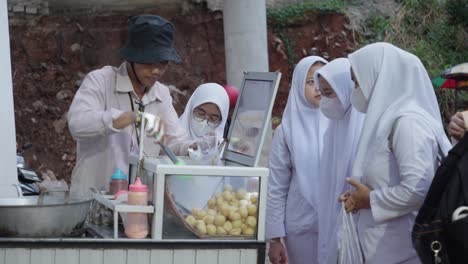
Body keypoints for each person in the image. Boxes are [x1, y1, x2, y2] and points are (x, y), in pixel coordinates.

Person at [339, 42, 452, 264]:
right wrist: (358, 197)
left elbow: (418, 188)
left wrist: (370, 199)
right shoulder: (387, 120)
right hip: (387, 250)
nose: (355, 90)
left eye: (357, 82)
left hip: (405, 251)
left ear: (378, 77)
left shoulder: (408, 123)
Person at [68, 15, 193, 196]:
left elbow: (173, 142)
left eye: (163, 64)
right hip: (94, 201)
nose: (156, 71)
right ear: (131, 58)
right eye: (149, 63)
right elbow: (77, 124)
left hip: (138, 205)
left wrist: (195, 148)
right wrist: (124, 118)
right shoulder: (101, 81)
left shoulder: (161, 94)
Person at [266, 56, 328, 264]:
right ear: (299, 84)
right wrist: (275, 237)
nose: (318, 88)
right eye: (311, 82)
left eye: (323, 80)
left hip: (336, 223)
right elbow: (276, 186)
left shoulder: (340, 123)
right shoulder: (286, 131)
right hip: (300, 227)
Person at [314, 58, 365, 264]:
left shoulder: (364, 125)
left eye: (329, 93)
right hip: (333, 214)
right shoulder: (333, 128)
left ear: (346, 89)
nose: (324, 100)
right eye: (322, 93)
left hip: (359, 216)